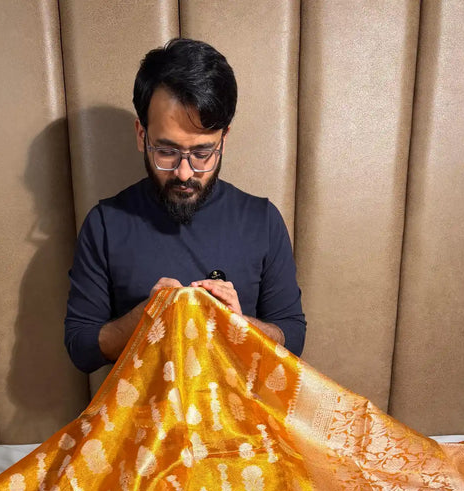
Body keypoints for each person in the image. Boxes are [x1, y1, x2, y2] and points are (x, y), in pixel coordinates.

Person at [64, 37, 306, 373]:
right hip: (141, 419)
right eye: (166, 151)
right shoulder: (105, 223)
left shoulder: (261, 220)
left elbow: (292, 335)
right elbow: (81, 347)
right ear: (141, 135)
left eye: (202, 153)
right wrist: (143, 319)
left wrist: (240, 327)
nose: (184, 172)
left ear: (224, 138)